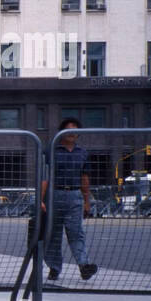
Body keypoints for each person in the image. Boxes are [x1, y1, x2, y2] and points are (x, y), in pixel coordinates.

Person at [41, 118, 97, 281]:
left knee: (76, 232)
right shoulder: (51, 151)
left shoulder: (82, 153)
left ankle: (84, 266)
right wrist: (41, 199)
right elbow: (44, 176)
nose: (72, 133)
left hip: (74, 195)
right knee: (53, 234)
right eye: (69, 129)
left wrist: (86, 201)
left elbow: (84, 178)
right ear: (62, 132)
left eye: (75, 129)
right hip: (54, 195)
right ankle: (54, 267)